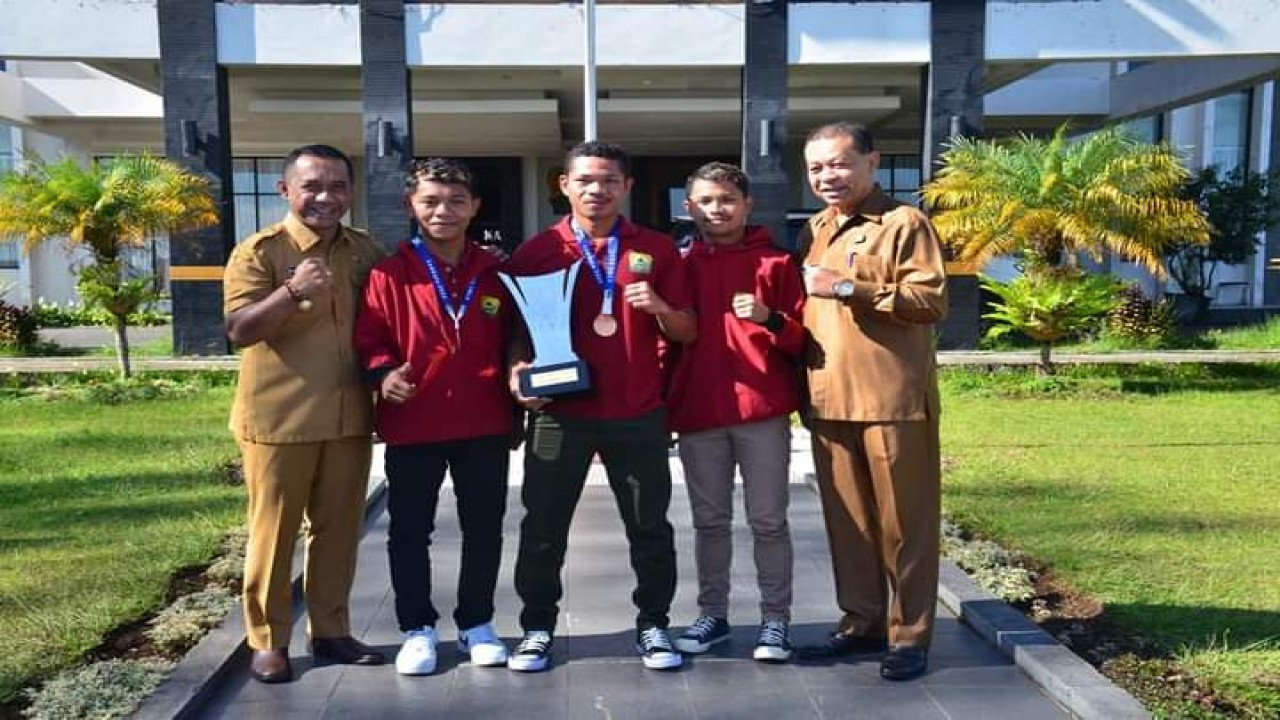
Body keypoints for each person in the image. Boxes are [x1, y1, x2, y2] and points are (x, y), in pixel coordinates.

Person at [502, 140, 697, 673]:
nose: (597, 189)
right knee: (542, 527)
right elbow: (516, 332)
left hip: (637, 412)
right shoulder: (537, 251)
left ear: (626, 187)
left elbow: (688, 328)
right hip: (560, 414)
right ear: (564, 185)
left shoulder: (656, 248)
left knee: (650, 526)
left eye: (609, 180)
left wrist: (656, 305)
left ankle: (654, 624)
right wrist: (517, 370)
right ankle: (537, 627)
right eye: (585, 180)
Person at [223, 144, 388, 684]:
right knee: (274, 534)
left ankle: (332, 630)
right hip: (281, 420)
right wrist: (292, 291)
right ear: (286, 190)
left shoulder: (364, 251)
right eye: (312, 186)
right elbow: (240, 331)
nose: (326, 197)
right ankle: (268, 641)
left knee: (339, 530)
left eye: (338, 187)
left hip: (348, 416)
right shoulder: (260, 252)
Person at [794, 122, 948, 682]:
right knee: (849, 525)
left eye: (838, 164)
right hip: (828, 397)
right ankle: (861, 622)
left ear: (871, 162)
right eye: (816, 168)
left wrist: (847, 288)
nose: (827, 177)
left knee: (905, 526)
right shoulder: (817, 227)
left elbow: (929, 300)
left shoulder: (903, 223)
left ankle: (910, 637)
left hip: (890, 401)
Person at [354, 158, 517, 676]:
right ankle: (417, 628)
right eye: (430, 201)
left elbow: (518, 336)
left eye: (455, 201)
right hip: (414, 422)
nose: (442, 211)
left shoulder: (497, 272)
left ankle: (477, 623)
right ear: (410, 206)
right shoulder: (388, 273)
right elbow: (371, 338)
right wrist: (383, 375)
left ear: (475, 208)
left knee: (485, 528)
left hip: (483, 421)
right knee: (408, 531)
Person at [664, 162, 806, 662]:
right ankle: (713, 614)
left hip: (761, 410)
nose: (716, 209)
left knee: (768, 520)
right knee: (709, 522)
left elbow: (803, 339)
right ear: (689, 207)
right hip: (700, 410)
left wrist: (771, 318)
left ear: (746, 204)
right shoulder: (678, 265)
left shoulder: (777, 265)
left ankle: (776, 620)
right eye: (705, 200)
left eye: (727, 199)